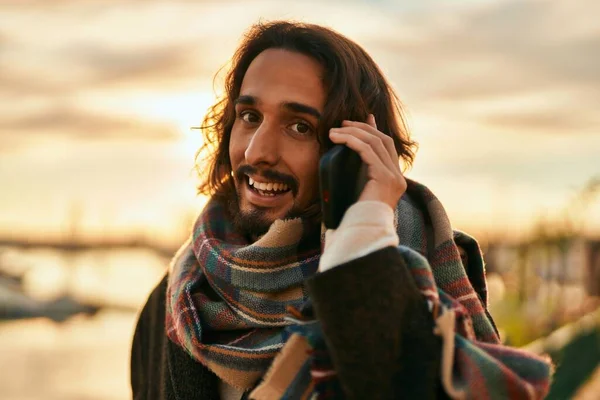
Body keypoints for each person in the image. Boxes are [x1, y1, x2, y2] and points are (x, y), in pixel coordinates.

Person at [131, 21, 552, 400]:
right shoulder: (174, 301)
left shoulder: (413, 286)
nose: (258, 150)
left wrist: (362, 240)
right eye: (249, 115)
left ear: (351, 154)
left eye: (300, 127)